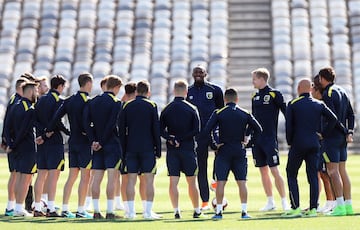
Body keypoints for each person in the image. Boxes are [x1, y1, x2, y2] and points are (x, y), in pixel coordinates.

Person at [202, 88, 262, 220]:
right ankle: (244, 211)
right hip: (239, 151)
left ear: (224, 100)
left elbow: (207, 131)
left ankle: (218, 212)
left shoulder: (219, 113)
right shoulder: (244, 113)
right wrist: (249, 143)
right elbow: (258, 129)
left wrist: (214, 145)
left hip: (224, 151)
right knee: (242, 182)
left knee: (221, 182)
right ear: (237, 99)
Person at [282, 79, 338, 217]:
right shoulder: (319, 104)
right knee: (313, 175)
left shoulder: (293, 104)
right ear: (311, 89)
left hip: (298, 143)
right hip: (314, 143)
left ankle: (295, 207)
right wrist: (323, 133)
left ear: (299, 88)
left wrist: (290, 141)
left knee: (291, 173)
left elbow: (289, 126)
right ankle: (313, 208)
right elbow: (333, 119)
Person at [46, 73, 94, 218]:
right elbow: (88, 122)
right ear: (88, 83)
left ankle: (65, 208)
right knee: (85, 177)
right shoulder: (87, 101)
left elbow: (55, 117)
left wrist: (51, 130)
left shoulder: (69, 100)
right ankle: (80, 210)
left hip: (72, 141)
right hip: (84, 142)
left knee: (72, 176)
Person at [160, 80, 204, 219]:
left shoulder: (167, 108)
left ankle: (176, 211)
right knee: (192, 181)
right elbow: (196, 130)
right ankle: (197, 210)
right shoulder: (191, 108)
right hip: (188, 149)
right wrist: (181, 139)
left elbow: (160, 130)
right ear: (186, 92)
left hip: (172, 150)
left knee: (173, 181)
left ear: (174, 91)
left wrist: (172, 139)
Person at [119, 80, 161, 219]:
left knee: (131, 180)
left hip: (131, 148)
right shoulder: (152, 105)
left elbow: (122, 130)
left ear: (136, 91)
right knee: (149, 180)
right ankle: (147, 212)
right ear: (148, 92)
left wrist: (123, 150)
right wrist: (158, 149)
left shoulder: (126, 106)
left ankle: (130, 212)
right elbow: (156, 129)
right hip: (147, 148)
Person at [248, 67, 289, 211]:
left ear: (261, 79)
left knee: (274, 170)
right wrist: (248, 135)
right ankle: (270, 201)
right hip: (257, 140)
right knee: (262, 171)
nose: (252, 81)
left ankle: (285, 201)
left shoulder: (274, 94)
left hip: (269, 139)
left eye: (254, 79)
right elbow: (252, 118)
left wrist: (292, 130)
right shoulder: (254, 96)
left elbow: (286, 112)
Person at [83, 75, 123, 219]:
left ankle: (96, 211)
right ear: (116, 87)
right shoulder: (116, 103)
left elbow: (86, 123)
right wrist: (102, 141)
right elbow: (112, 124)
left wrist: (93, 140)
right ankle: (110, 211)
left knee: (96, 178)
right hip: (111, 144)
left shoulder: (92, 101)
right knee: (112, 178)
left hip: (96, 146)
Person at [318, 67, 355, 216]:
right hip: (342, 139)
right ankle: (348, 206)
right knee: (342, 171)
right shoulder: (343, 90)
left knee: (332, 171)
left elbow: (332, 118)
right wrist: (349, 131)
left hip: (332, 138)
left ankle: (339, 206)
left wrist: (324, 134)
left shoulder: (328, 93)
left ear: (322, 78)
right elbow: (351, 115)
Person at [186, 65, 224, 210]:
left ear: (206, 73)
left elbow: (221, 112)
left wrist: (221, 132)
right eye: (195, 72)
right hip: (198, 135)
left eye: (200, 72)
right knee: (201, 167)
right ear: (192, 74)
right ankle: (205, 201)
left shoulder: (215, 90)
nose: (198, 74)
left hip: (214, 132)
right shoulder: (188, 91)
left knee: (220, 161)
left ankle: (215, 183)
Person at [33, 75, 70, 217]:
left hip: (42, 142)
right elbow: (57, 121)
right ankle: (51, 208)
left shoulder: (40, 100)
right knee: (54, 175)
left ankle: (37, 207)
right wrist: (67, 132)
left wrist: (41, 135)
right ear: (60, 86)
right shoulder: (59, 101)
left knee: (41, 174)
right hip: (53, 141)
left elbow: (35, 120)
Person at [4, 80, 39, 217]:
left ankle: (17, 207)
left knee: (18, 176)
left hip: (16, 148)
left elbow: (7, 127)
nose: (36, 94)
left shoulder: (15, 106)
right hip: (27, 147)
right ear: (30, 92)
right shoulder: (29, 109)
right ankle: (19, 208)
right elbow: (24, 130)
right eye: (35, 91)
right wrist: (14, 143)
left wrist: (11, 144)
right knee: (26, 178)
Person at [311, 75, 336, 213]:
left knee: (325, 173)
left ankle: (331, 202)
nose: (312, 91)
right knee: (320, 173)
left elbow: (332, 121)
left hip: (324, 144)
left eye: (313, 88)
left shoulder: (322, 106)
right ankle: (327, 202)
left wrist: (322, 134)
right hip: (319, 143)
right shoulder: (317, 106)